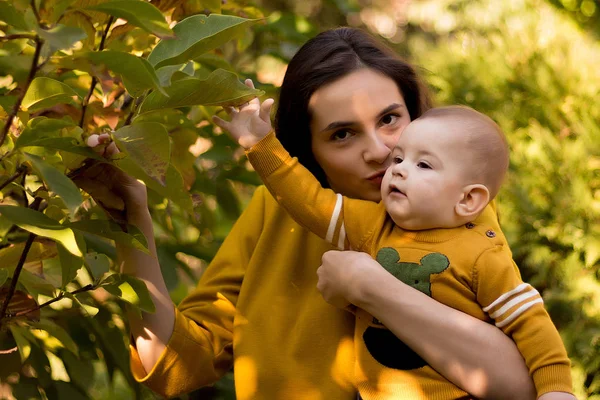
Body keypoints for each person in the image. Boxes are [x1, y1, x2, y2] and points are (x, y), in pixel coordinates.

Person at [77, 28, 541, 399]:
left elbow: (516, 382)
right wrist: (128, 219)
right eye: (342, 134)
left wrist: (372, 287)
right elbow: (176, 368)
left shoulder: (458, 211)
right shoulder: (275, 212)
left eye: (389, 118)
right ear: (309, 151)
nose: (379, 151)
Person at [216, 100, 575, 399]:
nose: (399, 171)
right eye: (399, 159)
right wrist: (259, 143)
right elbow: (308, 201)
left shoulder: (483, 254)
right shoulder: (374, 224)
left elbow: (531, 324)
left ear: (468, 200)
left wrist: (557, 391)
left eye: (423, 165)